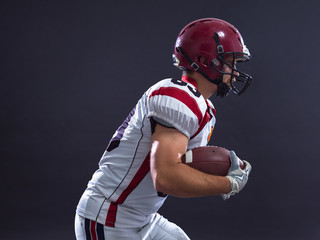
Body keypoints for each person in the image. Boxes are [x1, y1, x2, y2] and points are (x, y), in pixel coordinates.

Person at [75, 18, 253, 240]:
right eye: (230, 62)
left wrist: (225, 167)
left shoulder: (203, 106)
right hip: (111, 217)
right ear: (205, 60)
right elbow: (167, 176)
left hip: (142, 218)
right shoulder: (178, 97)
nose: (235, 73)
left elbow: (182, 164)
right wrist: (228, 184)